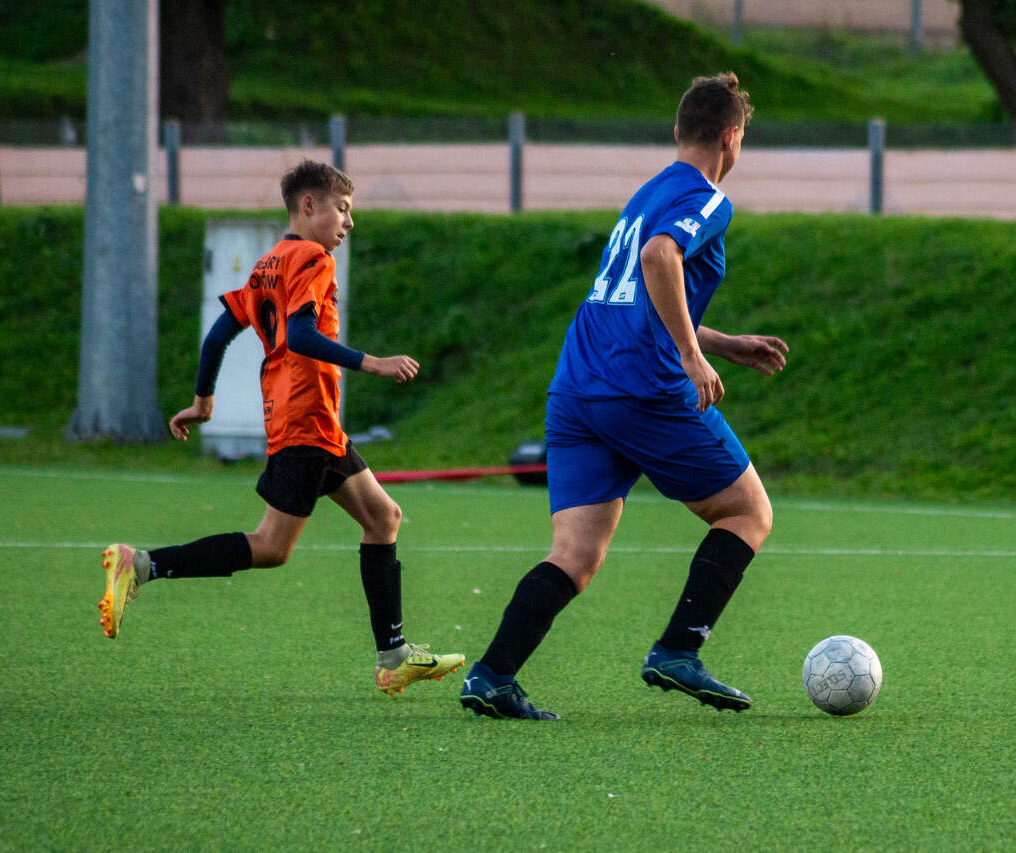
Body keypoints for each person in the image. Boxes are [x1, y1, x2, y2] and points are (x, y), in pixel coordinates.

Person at [460, 73, 787, 720]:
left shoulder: (647, 192)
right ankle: (678, 649)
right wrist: (691, 356)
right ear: (731, 138)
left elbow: (630, 298)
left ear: (677, 130)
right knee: (748, 512)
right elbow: (660, 260)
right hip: (641, 388)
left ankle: (491, 675)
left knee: (574, 554)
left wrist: (718, 342)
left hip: (577, 388)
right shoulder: (707, 198)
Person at [96, 159, 464, 697]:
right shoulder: (313, 258)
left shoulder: (268, 264)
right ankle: (141, 565)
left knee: (384, 517)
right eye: (343, 209)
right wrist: (373, 363)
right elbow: (301, 336)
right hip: (305, 420)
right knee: (271, 546)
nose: (349, 222)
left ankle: (394, 657)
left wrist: (202, 401)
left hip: (313, 422)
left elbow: (217, 337)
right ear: (309, 205)